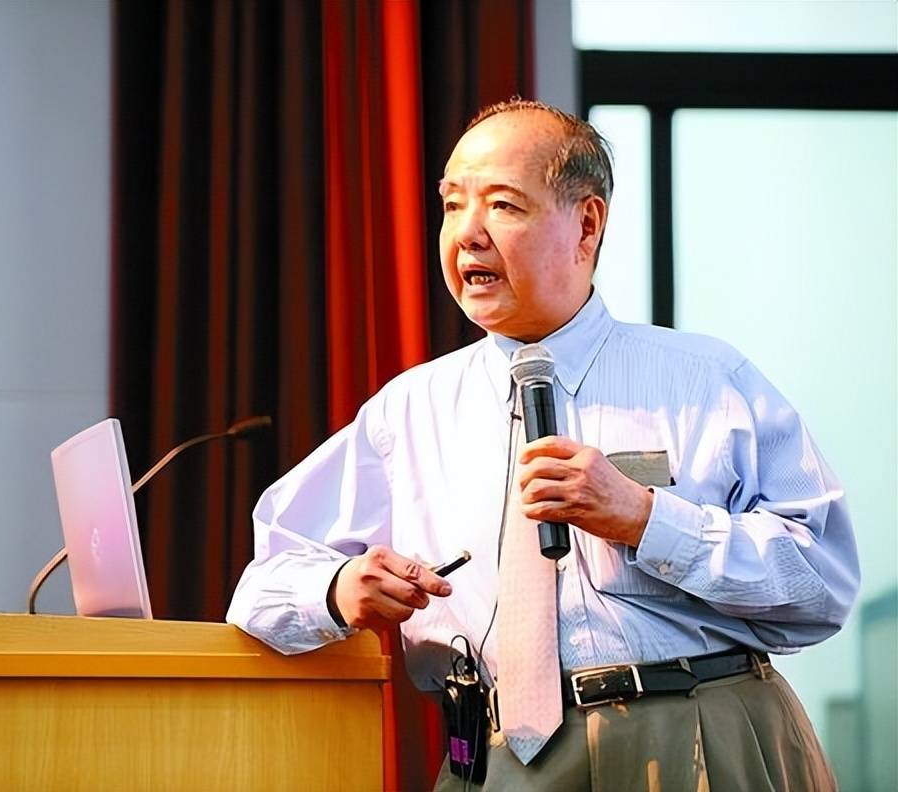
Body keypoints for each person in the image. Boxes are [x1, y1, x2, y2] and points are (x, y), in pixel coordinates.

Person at [228, 98, 859, 790]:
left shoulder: (705, 380)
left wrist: (646, 519)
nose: (467, 235)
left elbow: (822, 584)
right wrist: (339, 586)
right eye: (452, 205)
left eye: (503, 205)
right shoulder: (408, 410)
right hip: (498, 756)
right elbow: (262, 585)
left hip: (701, 733)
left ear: (587, 224)